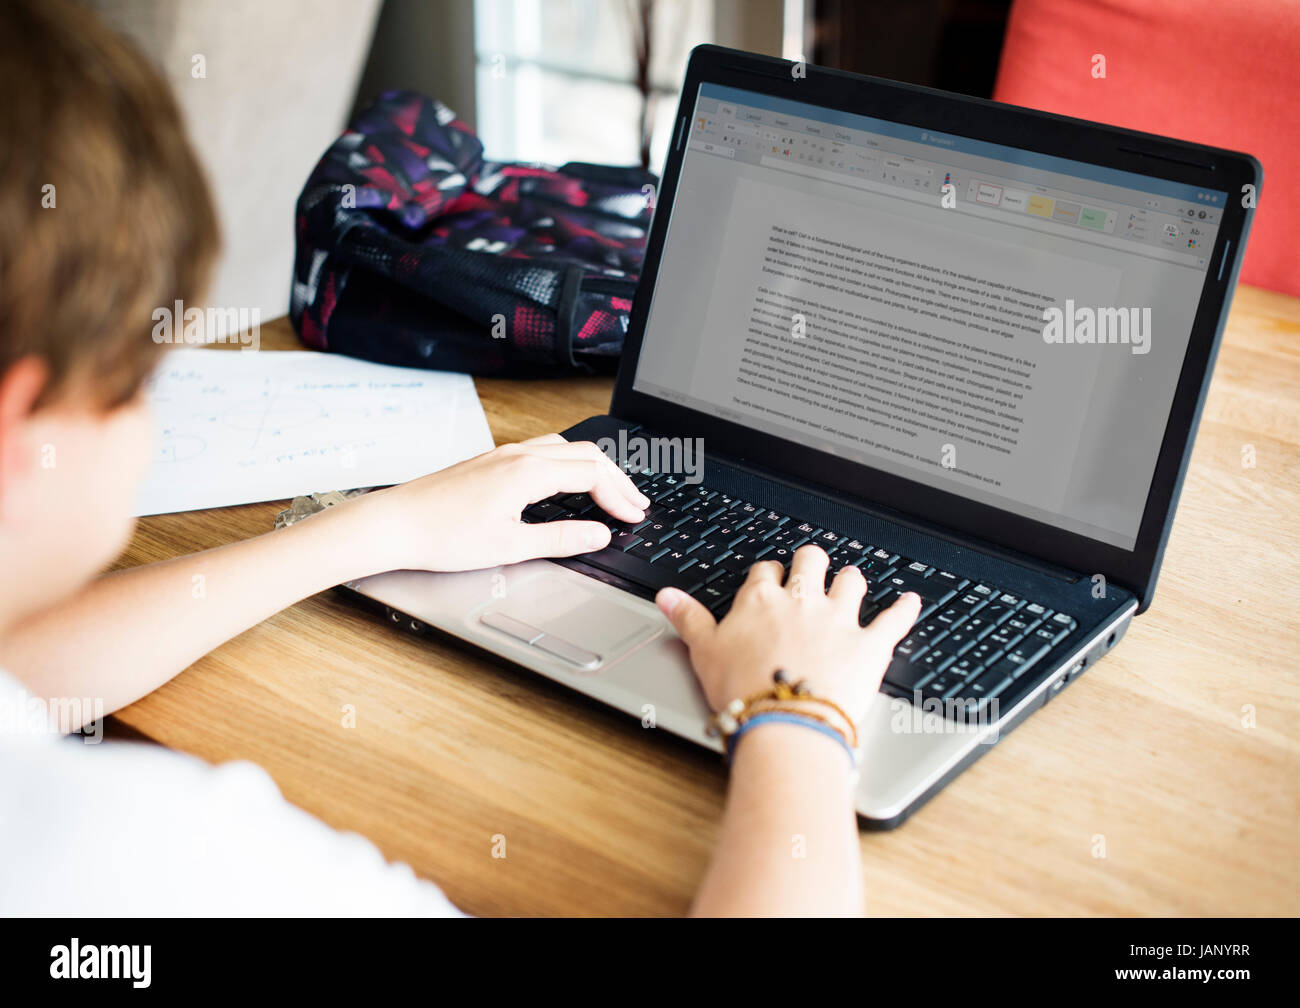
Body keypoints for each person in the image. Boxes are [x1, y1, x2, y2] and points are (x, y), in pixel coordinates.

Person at [0, 0, 918, 917]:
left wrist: (383, 524)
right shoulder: (134, 849)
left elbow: (20, 674)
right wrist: (800, 719)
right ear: (21, 424)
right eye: (137, 378)